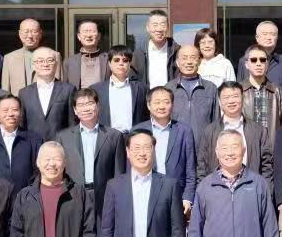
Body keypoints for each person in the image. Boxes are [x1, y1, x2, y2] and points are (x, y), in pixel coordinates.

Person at [56, 88, 127, 224]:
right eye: (81, 105)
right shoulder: (63, 137)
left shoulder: (114, 136)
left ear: (98, 106)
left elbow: (119, 172)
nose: (86, 108)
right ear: (75, 110)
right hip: (73, 197)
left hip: (104, 197)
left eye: (89, 103)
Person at [134, 86, 197, 215]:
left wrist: (188, 197)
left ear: (172, 105)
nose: (161, 106)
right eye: (157, 102)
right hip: (145, 192)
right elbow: (131, 166)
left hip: (177, 195)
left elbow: (190, 168)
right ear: (148, 105)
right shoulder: (137, 131)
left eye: (166, 102)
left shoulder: (184, 130)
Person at [197, 81, 273, 186]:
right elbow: (202, 167)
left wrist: (266, 191)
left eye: (235, 96)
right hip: (218, 190)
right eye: (226, 97)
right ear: (219, 101)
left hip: (251, 189)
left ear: (243, 98)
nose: (231, 101)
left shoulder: (258, 130)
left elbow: (267, 167)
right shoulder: (209, 131)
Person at [0, 93, 43, 193]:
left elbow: (39, 171)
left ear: (20, 112)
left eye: (15, 110)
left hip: (25, 197)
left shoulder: (34, 139)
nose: (10, 114)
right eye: (5, 110)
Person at [165, 45, 219, 147]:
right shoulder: (169, 88)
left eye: (193, 58)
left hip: (203, 146)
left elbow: (216, 120)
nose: (189, 62)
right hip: (177, 146)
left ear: (199, 61)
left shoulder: (210, 88)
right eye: (184, 58)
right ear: (177, 62)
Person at [18, 47, 75, 142]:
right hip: (33, 146)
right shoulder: (24, 93)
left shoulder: (68, 90)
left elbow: (72, 123)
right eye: (40, 61)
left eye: (50, 60)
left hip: (60, 146)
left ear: (56, 64)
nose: (45, 64)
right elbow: (22, 124)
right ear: (33, 66)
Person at [90, 45, 149, 133]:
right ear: (109, 63)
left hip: (134, 137)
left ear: (130, 64)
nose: (121, 63)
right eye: (116, 60)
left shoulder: (141, 88)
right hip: (107, 137)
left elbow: (146, 116)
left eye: (125, 60)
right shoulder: (96, 89)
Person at [1, 18, 64, 96]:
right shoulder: (9, 58)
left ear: (40, 33)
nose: (30, 36)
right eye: (26, 32)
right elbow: (5, 90)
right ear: (20, 34)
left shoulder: (54, 56)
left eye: (34, 32)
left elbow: (60, 87)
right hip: (18, 102)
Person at [241, 44, 282, 147]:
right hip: (246, 149)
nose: (258, 63)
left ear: (267, 64)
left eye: (262, 60)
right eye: (254, 60)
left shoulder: (278, 91)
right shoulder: (239, 91)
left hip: (272, 149)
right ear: (246, 64)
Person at [235, 21, 282, 94]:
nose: (268, 38)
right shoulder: (245, 60)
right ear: (257, 38)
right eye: (264, 34)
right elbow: (239, 90)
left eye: (272, 34)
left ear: (277, 38)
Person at [132, 9, 180, 87]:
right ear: (148, 28)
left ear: (168, 27)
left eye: (163, 25)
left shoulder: (176, 51)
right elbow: (133, 77)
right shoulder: (139, 52)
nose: (159, 29)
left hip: (170, 93)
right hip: (147, 94)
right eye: (155, 25)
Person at [63, 20, 112, 88]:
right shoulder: (69, 62)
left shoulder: (109, 59)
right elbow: (65, 87)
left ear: (99, 36)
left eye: (92, 31)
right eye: (85, 31)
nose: (89, 35)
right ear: (79, 36)